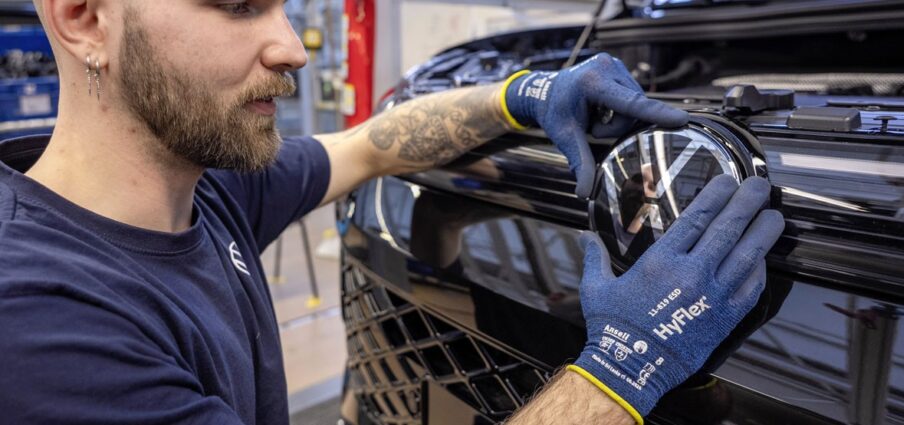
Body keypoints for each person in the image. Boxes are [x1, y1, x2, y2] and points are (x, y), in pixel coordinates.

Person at [0, 1, 784, 424]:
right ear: (84, 17)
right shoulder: (42, 330)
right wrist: (622, 367)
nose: (292, 46)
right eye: (238, 5)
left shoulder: (203, 189)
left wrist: (524, 95)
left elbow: (368, 146)